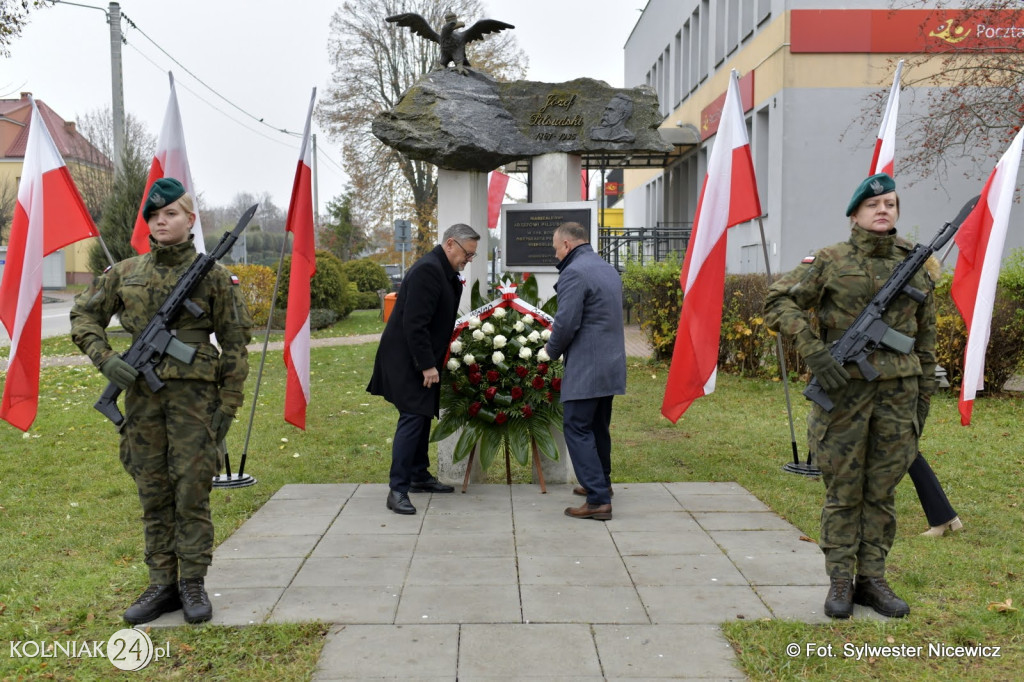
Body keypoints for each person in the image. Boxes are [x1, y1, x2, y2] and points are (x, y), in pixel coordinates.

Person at [70, 178, 252, 625]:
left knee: (191, 491)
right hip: (142, 402)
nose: (161, 222)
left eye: (170, 214)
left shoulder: (212, 276)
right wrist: (106, 360)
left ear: (190, 219)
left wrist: (227, 405)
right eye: (154, 216)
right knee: (153, 490)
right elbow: (83, 316)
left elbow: (235, 343)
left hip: (195, 403)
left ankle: (192, 582)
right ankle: (161, 583)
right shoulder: (125, 273)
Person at [764, 173, 936, 619]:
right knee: (843, 490)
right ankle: (840, 579)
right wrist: (815, 352)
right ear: (855, 213)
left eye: (891, 204)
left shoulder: (916, 264)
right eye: (874, 204)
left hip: (898, 395)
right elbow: (778, 302)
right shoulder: (829, 259)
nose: (884, 210)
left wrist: (923, 398)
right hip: (843, 396)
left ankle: (872, 580)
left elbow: (926, 339)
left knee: (881, 491)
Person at [368, 223, 481, 515]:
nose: (468, 261)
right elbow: (414, 324)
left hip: (419, 358)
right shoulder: (428, 271)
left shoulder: (443, 270)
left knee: (422, 415)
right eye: (467, 254)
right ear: (451, 244)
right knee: (413, 417)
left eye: (471, 257)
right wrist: (427, 365)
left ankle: (418, 475)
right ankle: (398, 490)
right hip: (407, 359)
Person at [543, 221, 627, 521]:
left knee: (577, 427)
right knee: (597, 426)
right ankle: (601, 481)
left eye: (556, 249)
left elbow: (566, 323)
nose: (556, 256)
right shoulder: (605, 268)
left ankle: (598, 499)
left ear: (566, 245)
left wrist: (549, 351)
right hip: (611, 363)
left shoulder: (574, 272)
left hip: (587, 365)